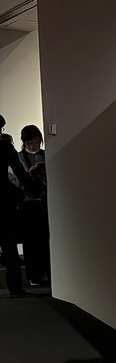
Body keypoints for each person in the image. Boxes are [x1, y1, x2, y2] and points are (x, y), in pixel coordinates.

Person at [0, 114, 36, 296]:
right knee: (9, 246)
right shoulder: (5, 147)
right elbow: (20, 173)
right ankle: (15, 288)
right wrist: (36, 190)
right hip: (4, 201)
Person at [18, 124, 50, 287]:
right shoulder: (18, 158)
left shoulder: (46, 155)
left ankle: (49, 273)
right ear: (24, 142)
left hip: (44, 203)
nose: (34, 145)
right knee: (30, 242)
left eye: (37, 141)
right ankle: (34, 275)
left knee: (46, 240)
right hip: (27, 204)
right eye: (30, 142)